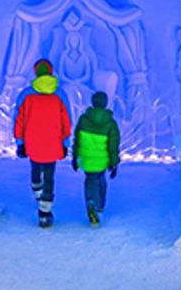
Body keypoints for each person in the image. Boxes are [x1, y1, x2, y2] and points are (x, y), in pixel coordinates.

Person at [13, 59, 72, 228]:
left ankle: (37, 193)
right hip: (53, 142)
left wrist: (20, 142)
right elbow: (66, 121)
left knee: (35, 169)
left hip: (32, 141)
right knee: (50, 176)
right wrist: (65, 142)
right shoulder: (60, 94)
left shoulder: (25, 95)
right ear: (51, 72)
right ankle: (45, 213)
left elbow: (19, 121)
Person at [71, 90, 120, 228]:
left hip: (86, 158)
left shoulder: (83, 119)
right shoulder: (110, 123)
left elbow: (77, 139)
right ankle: (99, 206)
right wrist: (114, 163)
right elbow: (113, 145)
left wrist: (74, 157)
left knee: (90, 179)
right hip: (103, 160)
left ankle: (92, 202)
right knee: (101, 178)